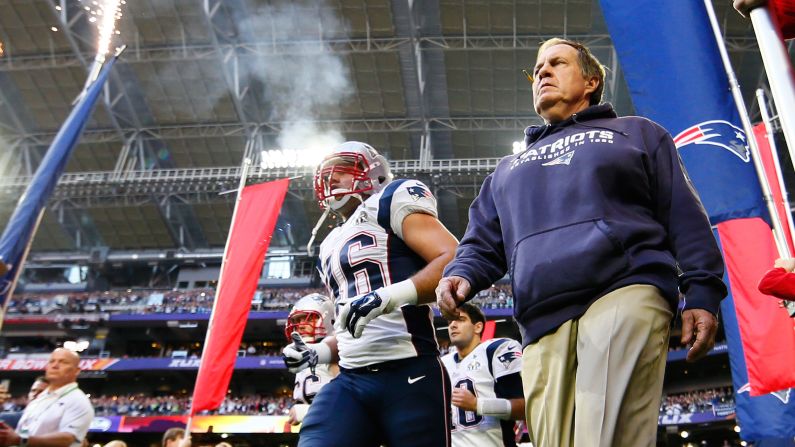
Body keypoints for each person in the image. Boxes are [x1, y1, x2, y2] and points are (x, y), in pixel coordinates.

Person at [436, 38, 727, 447]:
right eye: (537, 69)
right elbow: (481, 241)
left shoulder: (636, 133)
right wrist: (461, 274)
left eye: (556, 63)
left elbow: (682, 213)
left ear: (591, 80)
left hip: (624, 286)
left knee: (604, 437)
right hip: (540, 316)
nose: (542, 73)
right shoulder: (505, 170)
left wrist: (702, 290)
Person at [282, 141, 459, 447]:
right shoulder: (328, 245)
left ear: (373, 173)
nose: (331, 179)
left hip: (409, 368)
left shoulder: (390, 199)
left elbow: (454, 259)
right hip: (351, 379)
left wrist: (387, 297)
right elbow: (351, 324)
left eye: (342, 170)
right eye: (326, 174)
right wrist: (318, 352)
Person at [442, 303, 525, 447]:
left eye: (460, 319)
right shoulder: (443, 363)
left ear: (478, 327)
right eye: (450, 322)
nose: (452, 325)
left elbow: (524, 408)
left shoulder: (496, 350)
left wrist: (477, 404)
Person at [0, 348, 94, 447]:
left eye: (63, 362)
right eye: (52, 361)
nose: (55, 365)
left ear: (77, 371)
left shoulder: (78, 400)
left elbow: (67, 439)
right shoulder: (39, 399)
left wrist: (20, 440)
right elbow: (24, 431)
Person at [283, 293, 339, 425]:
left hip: (337, 427)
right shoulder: (302, 355)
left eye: (308, 319)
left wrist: (309, 411)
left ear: (328, 319)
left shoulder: (336, 350)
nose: (300, 325)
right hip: (316, 426)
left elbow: (352, 401)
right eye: (297, 321)